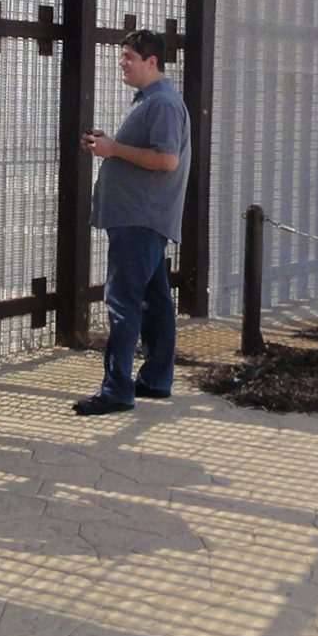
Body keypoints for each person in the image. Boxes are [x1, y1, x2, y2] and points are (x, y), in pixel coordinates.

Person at [74, 29, 191, 416]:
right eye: (122, 56)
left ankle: (117, 389)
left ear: (151, 62)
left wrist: (113, 150)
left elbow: (167, 159)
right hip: (142, 218)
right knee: (155, 301)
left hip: (141, 219)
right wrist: (111, 147)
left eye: (129, 57)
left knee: (122, 302)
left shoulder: (163, 104)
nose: (122, 63)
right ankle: (157, 378)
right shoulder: (152, 102)